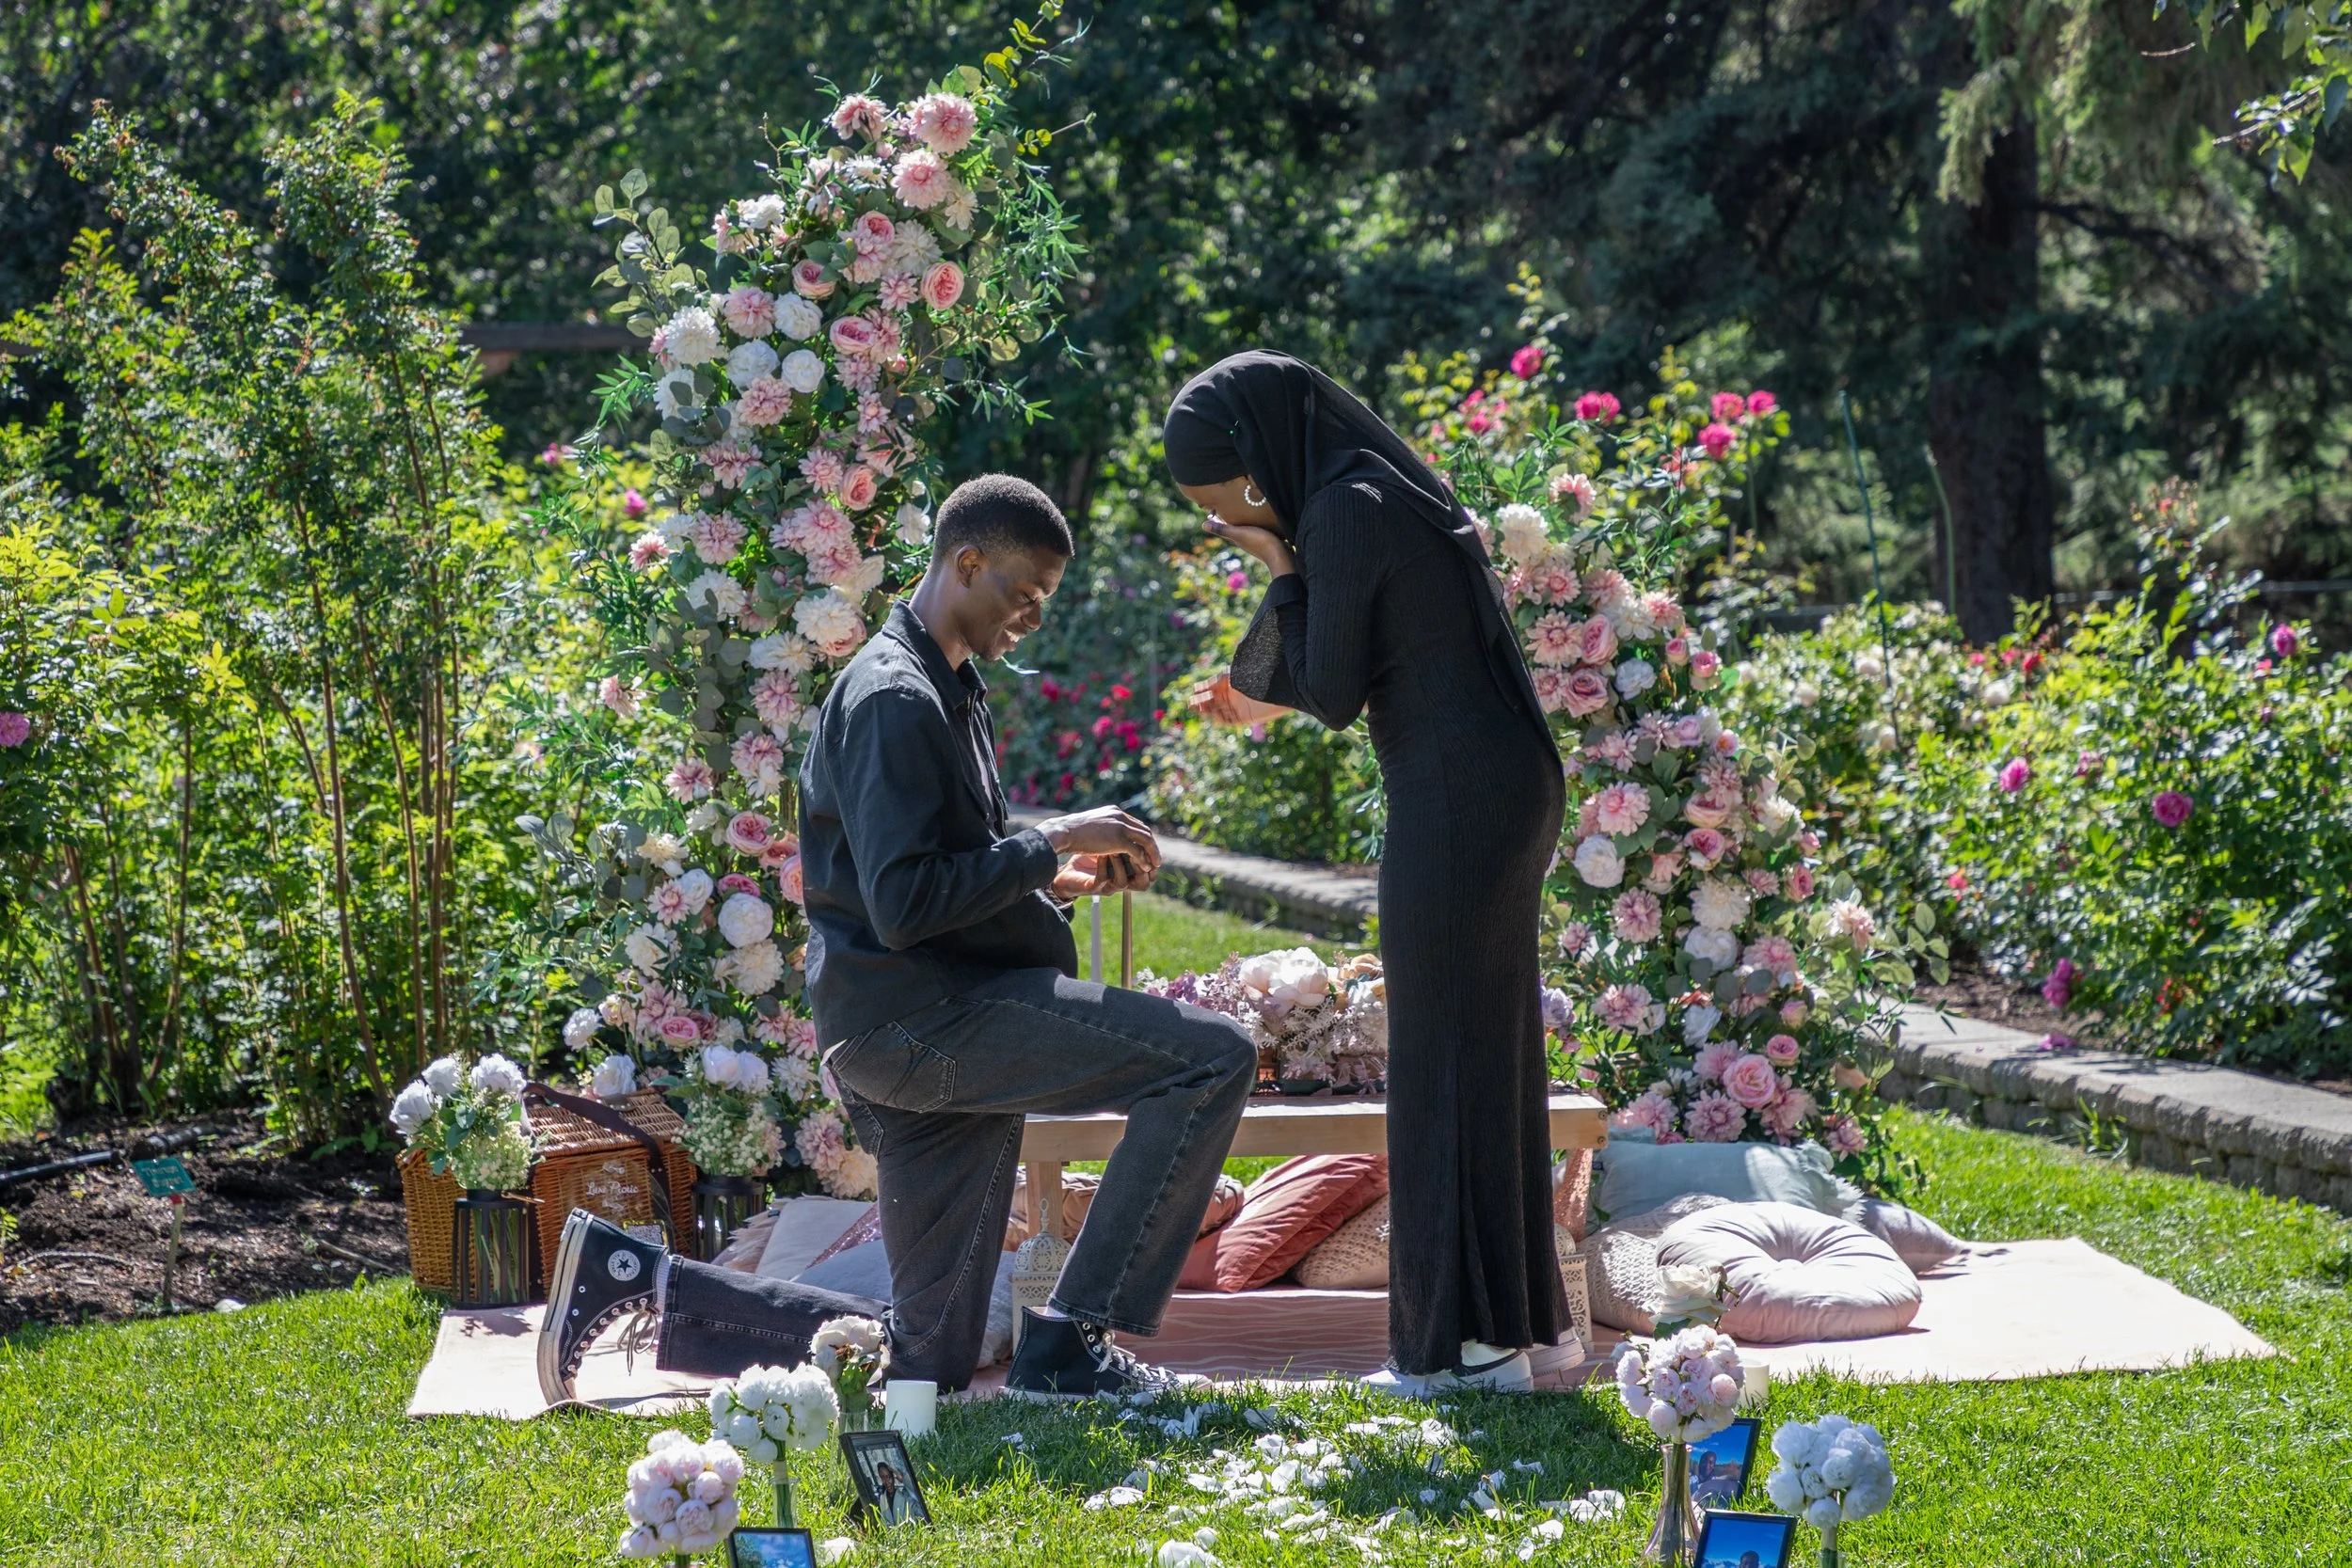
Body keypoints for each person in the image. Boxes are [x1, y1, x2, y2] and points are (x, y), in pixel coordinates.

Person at [537, 475, 1259, 1405]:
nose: (1031, 618)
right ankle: (1072, 1345)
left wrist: (1057, 875)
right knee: (1209, 1060)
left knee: (927, 1361)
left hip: (917, 1018)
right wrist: (1056, 839)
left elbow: (939, 864)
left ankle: (635, 1282)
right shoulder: (893, 694)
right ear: (967, 562)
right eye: (1023, 595)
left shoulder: (944, 682)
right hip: (929, 1023)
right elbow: (906, 901)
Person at [1163, 350, 1568, 1395]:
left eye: (1224, 503)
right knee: (1485, 1058)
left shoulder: (1342, 511)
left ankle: (1452, 1352)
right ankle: (1500, 1332)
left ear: (1255, 468)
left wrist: (1276, 564)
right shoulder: (1372, 489)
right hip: (1497, 785)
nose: (1224, 519)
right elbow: (1346, 653)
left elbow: (1335, 687)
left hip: (1456, 797)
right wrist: (1280, 612)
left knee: (1439, 1068)